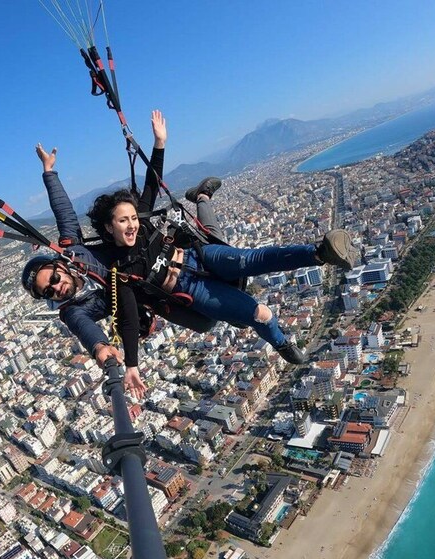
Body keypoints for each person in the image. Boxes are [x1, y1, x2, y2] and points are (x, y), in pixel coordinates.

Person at [87, 117, 357, 395]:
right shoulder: (121, 270)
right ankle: (282, 344)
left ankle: (320, 252)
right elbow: (129, 319)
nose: (132, 224)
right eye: (122, 221)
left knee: (247, 260)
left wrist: (159, 143)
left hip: (196, 256)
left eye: (133, 217)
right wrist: (132, 365)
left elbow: (151, 186)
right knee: (261, 314)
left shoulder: (141, 226)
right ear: (109, 227)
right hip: (189, 288)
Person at [21, 111, 225, 397]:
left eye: (52, 278)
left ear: (59, 266)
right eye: (48, 292)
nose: (56, 287)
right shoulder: (72, 312)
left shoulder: (74, 252)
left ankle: (202, 197)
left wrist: (49, 172)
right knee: (206, 322)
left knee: (215, 245)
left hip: (157, 265)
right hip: (152, 294)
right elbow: (85, 330)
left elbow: (65, 214)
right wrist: (101, 349)